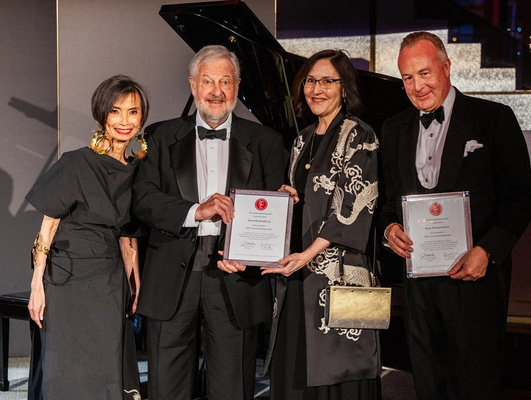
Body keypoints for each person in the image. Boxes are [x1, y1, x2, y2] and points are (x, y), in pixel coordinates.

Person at [379, 31, 531, 399]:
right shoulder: (393, 129)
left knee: (474, 386)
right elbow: (388, 199)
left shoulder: (493, 119)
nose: (417, 86)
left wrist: (487, 252)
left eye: (424, 73)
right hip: (418, 288)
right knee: (427, 384)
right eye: (407, 77)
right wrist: (389, 228)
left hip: (475, 283)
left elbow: (519, 200)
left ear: (446, 67)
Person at [132, 45, 286, 400]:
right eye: (207, 81)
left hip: (236, 278)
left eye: (225, 81)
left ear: (237, 86)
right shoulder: (157, 136)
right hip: (172, 276)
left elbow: (273, 214)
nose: (216, 91)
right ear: (192, 85)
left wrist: (255, 253)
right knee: (166, 389)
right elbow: (142, 199)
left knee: (232, 389)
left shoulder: (266, 142)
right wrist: (195, 211)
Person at [258, 49, 381, 399]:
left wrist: (306, 254)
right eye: (311, 80)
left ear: (345, 88)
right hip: (299, 277)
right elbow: (308, 197)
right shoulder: (301, 140)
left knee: (343, 374)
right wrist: (287, 197)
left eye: (328, 81)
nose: (317, 88)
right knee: (295, 373)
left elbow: (354, 207)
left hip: (342, 279)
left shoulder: (360, 134)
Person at [26, 75, 149, 399]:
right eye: (116, 111)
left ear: (142, 118)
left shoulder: (139, 169)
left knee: (106, 368)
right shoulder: (77, 162)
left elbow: (127, 235)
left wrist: (134, 282)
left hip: (108, 281)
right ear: (101, 115)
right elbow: (48, 226)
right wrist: (37, 284)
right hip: (68, 279)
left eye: (133, 112)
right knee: (67, 371)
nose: (125, 121)